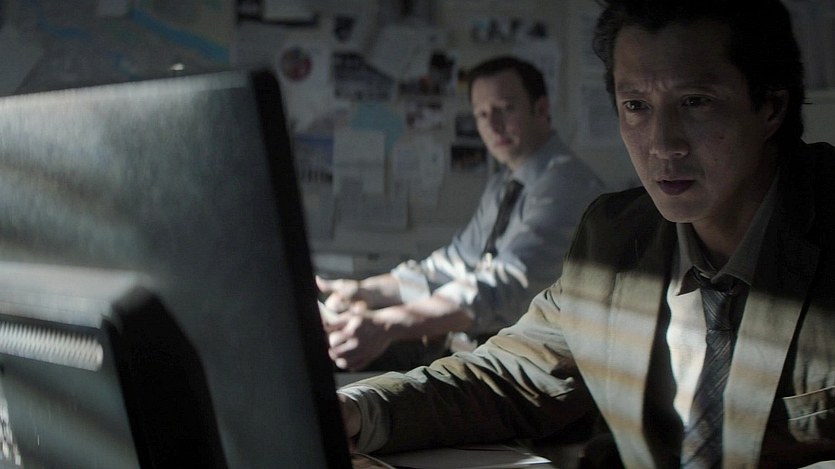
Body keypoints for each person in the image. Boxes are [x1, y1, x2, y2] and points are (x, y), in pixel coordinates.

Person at [336, 0, 835, 467]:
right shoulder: (615, 235)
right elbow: (512, 373)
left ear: (771, 106)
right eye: (636, 105)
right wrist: (358, 408)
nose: (663, 145)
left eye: (695, 102)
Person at [318, 56, 605, 371]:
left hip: (536, 365)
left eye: (505, 108)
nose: (492, 125)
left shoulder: (565, 183)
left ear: (540, 108)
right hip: (484, 352)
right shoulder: (503, 185)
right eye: (482, 114)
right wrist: (366, 291)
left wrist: (386, 324)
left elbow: (506, 285)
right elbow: (453, 265)